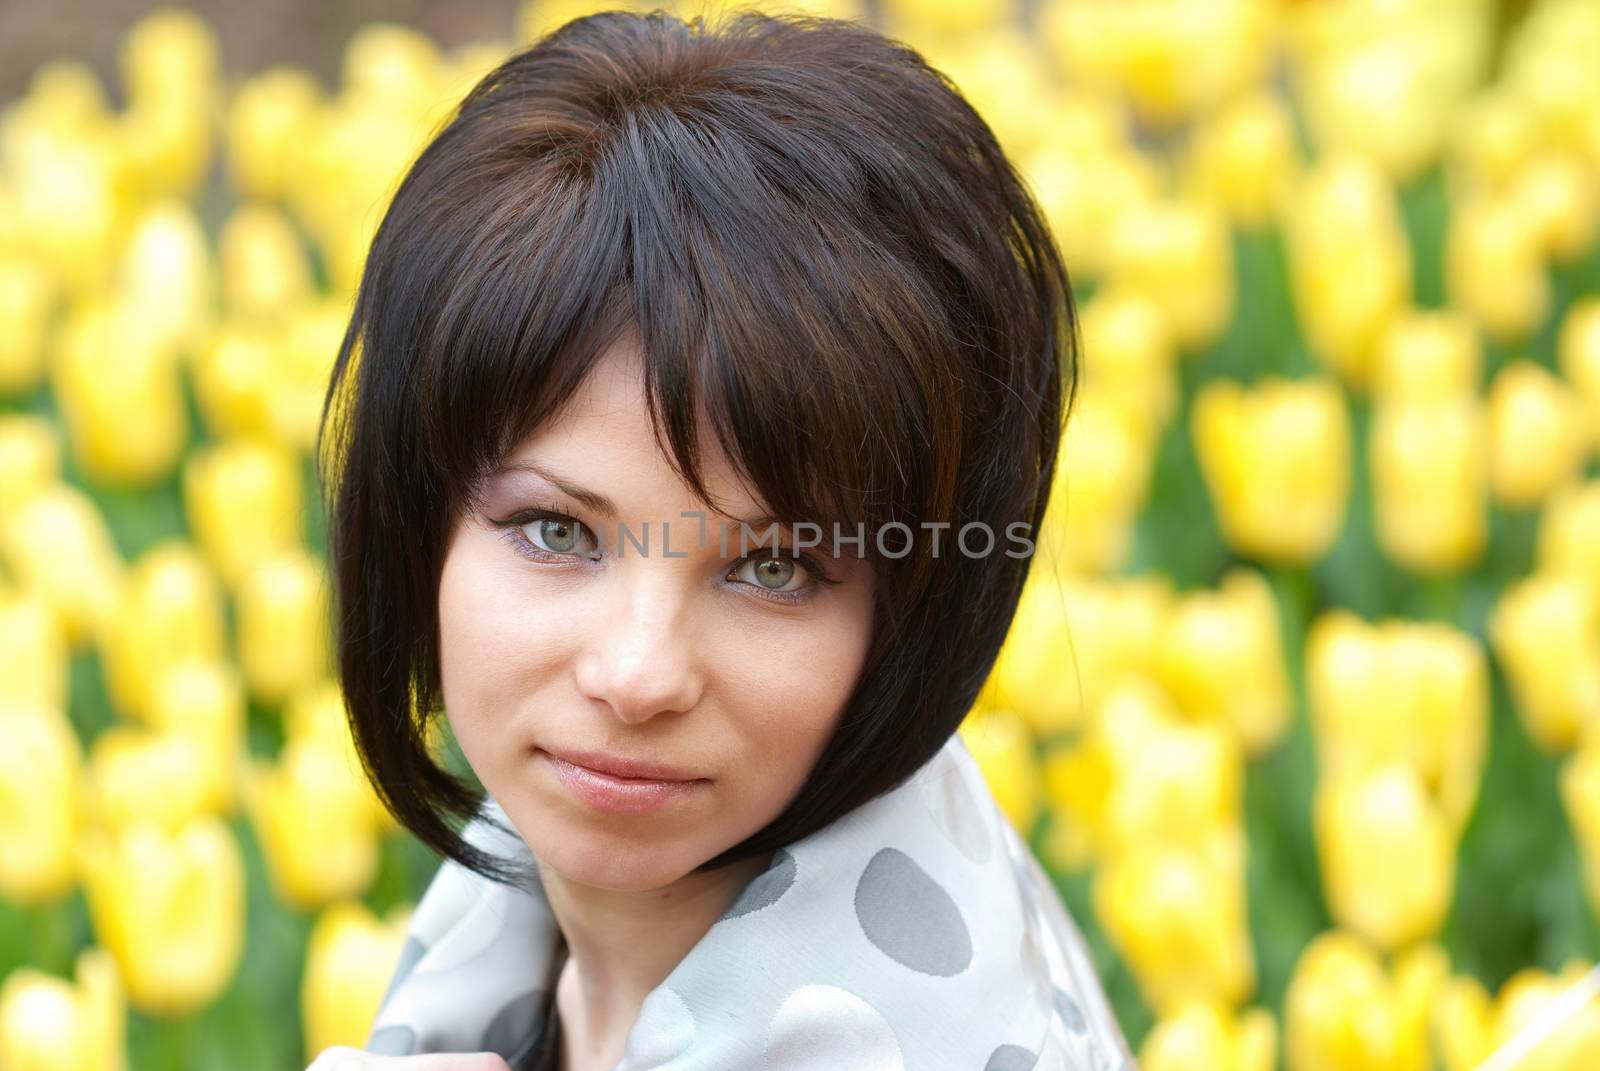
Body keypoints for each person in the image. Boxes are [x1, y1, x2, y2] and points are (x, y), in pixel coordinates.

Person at [308, 7, 1134, 1070]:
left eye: (774, 567)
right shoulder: (522, 895)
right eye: (556, 531)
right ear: (416, 524)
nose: (636, 675)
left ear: (915, 614)